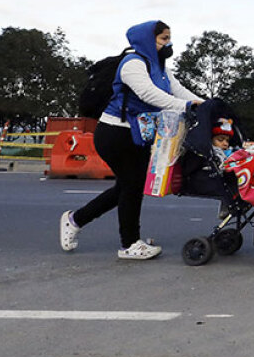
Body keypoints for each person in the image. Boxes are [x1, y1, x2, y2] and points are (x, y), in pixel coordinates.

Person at [60, 20, 202, 260]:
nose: (168, 44)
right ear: (147, 39)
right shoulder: (133, 63)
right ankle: (129, 244)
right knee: (132, 186)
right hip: (114, 133)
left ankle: (75, 219)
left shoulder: (161, 67)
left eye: (169, 38)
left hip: (138, 134)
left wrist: (208, 105)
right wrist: (187, 106)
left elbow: (177, 90)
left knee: (128, 186)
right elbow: (150, 94)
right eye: (163, 39)